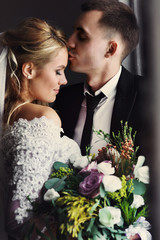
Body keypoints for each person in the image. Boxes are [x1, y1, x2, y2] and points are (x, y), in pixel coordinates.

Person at [0, 17, 88, 240]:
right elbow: (17, 219)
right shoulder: (43, 118)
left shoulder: (11, 118)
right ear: (29, 69)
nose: (65, 80)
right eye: (58, 71)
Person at [54, 0, 147, 157]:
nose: (69, 42)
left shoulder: (149, 97)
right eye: (73, 33)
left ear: (110, 49)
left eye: (82, 36)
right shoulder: (63, 97)